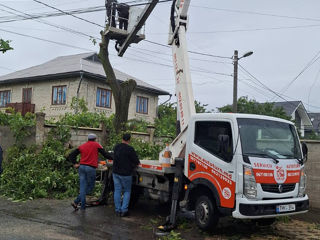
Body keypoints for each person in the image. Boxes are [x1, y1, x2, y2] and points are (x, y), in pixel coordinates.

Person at [67, 133, 113, 210]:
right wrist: (115, 157)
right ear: (95, 139)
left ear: (88, 139)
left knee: (82, 187)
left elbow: (71, 155)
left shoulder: (82, 146)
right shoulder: (97, 145)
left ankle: (82, 206)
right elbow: (106, 155)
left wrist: (75, 163)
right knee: (90, 187)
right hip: (90, 169)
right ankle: (76, 201)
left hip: (81, 168)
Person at [113, 133, 140, 217]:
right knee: (127, 191)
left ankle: (117, 210)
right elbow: (136, 161)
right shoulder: (130, 149)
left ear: (122, 138)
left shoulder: (116, 147)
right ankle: (124, 210)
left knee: (117, 190)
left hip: (116, 172)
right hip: (126, 174)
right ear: (129, 140)